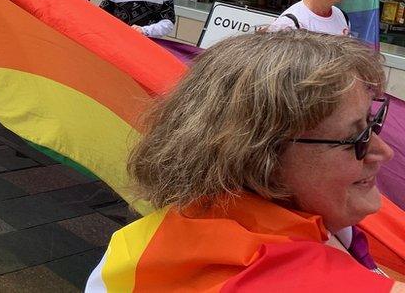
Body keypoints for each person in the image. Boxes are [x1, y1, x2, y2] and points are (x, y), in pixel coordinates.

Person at [87, 30, 405, 289]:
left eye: (373, 123)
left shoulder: (139, 250)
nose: (383, 152)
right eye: (356, 137)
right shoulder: (279, 278)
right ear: (260, 158)